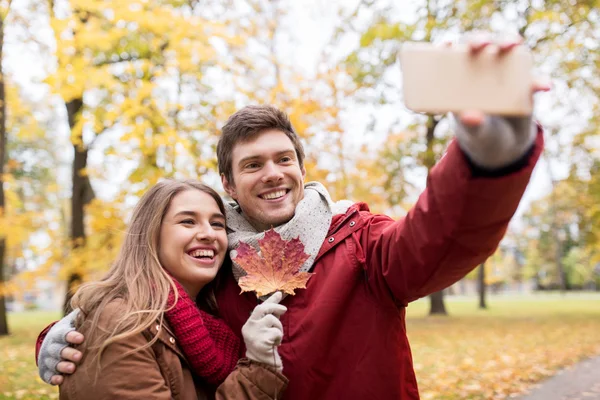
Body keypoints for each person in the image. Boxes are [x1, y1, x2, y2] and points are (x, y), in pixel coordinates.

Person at [38, 35, 548, 399]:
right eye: (253, 165)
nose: (274, 174)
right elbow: (150, 301)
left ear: (302, 170)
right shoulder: (216, 269)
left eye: (284, 160)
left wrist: (486, 161)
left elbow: (441, 239)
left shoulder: (361, 244)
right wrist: (68, 330)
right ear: (230, 186)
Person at [41, 179, 288, 399]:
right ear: (151, 235)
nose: (208, 234)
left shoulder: (211, 318)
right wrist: (257, 371)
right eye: (188, 221)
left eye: (217, 224)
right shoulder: (121, 324)